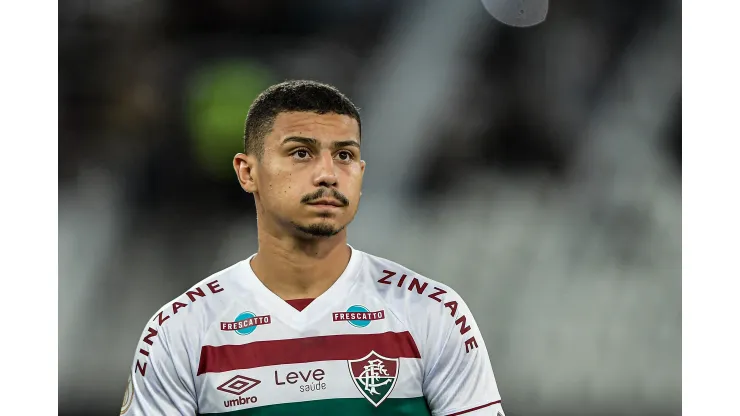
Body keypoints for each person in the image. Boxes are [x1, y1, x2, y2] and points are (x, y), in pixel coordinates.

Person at [122, 80, 506, 415]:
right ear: (247, 172)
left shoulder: (431, 312)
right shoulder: (182, 329)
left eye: (345, 155)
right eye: (301, 152)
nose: (328, 174)